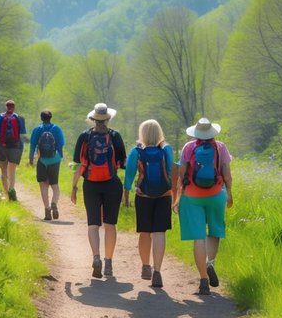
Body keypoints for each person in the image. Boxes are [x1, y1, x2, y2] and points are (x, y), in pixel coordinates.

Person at [174, 117, 233, 295]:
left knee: (198, 237)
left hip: (192, 196)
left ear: (197, 132)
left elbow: (181, 175)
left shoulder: (188, 147)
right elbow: (227, 175)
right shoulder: (220, 147)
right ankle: (210, 263)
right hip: (215, 195)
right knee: (214, 231)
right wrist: (229, 194)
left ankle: (203, 281)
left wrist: (177, 198)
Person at [70, 103, 127, 278]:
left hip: (91, 184)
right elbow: (123, 163)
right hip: (112, 184)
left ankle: (96, 258)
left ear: (93, 118)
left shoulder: (84, 136)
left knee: (93, 224)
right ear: (108, 118)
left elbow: (78, 166)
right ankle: (108, 262)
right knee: (110, 224)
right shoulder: (115, 136)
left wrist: (74, 188)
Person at [123, 119, 176, 289]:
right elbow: (170, 172)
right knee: (159, 232)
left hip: (143, 195)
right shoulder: (166, 149)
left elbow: (129, 174)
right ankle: (158, 272)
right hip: (164, 195)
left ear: (142, 133)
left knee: (145, 232)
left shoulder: (136, 151)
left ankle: (146, 266)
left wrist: (126, 194)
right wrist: (175, 195)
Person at [28, 110, 66, 221]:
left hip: (42, 160)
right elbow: (61, 144)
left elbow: (32, 145)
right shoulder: (56, 129)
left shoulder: (37, 129)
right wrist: (60, 157)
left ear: (41, 118)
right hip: (55, 160)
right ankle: (54, 202)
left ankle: (47, 210)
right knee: (54, 185)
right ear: (51, 117)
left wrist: (31, 158)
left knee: (43, 185)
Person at [0, 100, 26, 201]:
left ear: (6, 107)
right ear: (14, 107)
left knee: (4, 170)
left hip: (2, 146)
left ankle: (6, 194)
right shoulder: (19, 118)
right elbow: (22, 135)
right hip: (15, 147)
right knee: (12, 171)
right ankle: (12, 190)